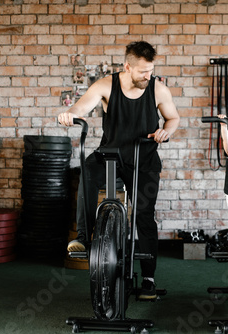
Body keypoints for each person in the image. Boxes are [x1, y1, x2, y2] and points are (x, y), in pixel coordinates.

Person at [58, 41, 180, 300]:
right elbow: (82, 107)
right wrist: (70, 114)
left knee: (144, 217)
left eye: (151, 70)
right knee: (88, 171)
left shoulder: (158, 89)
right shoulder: (105, 85)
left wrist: (166, 131)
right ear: (127, 66)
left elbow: (173, 118)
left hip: (144, 160)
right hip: (110, 155)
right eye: (142, 72)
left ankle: (148, 278)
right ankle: (84, 238)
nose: (148, 76)